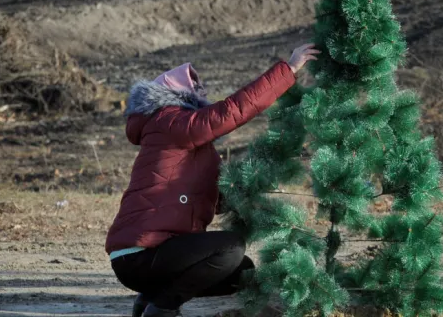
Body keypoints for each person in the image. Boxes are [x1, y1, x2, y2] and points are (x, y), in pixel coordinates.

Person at [105, 44, 320, 317]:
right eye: (195, 85)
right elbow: (231, 112)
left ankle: (149, 300)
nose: (203, 89)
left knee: (241, 271)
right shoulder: (171, 122)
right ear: (175, 92)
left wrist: (267, 182)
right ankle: (162, 309)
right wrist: (287, 71)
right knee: (230, 247)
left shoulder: (193, 145)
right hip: (140, 254)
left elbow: (220, 196)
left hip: (155, 254)